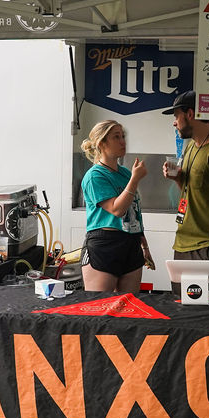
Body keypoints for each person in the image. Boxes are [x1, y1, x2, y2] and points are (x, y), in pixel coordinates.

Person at [161, 90, 209, 282]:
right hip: (184, 240)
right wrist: (177, 178)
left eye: (176, 116)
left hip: (205, 243)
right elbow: (191, 193)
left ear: (190, 114)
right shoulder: (191, 146)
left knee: (196, 299)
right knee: (180, 298)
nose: (174, 123)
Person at [79, 120, 153, 294]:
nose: (122, 141)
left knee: (129, 304)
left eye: (123, 136)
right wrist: (135, 179)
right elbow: (116, 210)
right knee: (100, 304)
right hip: (105, 244)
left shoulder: (125, 173)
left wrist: (144, 246)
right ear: (101, 143)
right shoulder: (95, 176)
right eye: (116, 137)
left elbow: (134, 212)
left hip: (131, 242)